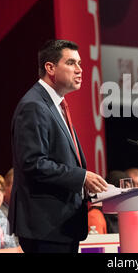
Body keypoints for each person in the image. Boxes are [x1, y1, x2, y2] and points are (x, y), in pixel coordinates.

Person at [9, 39, 108, 253]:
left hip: (62, 226)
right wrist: (82, 177)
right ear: (50, 68)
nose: (80, 70)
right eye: (71, 63)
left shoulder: (54, 105)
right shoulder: (34, 106)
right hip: (46, 226)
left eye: (80, 63)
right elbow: (33, 163)